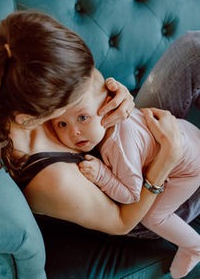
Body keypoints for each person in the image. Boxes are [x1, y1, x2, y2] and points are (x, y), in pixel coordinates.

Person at [0, 10, 198, 276]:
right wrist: (165, 160)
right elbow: (122, 222)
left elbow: (90, 81)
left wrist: (116, 96)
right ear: (32, 118)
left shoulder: (16, 79)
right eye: (73, 99)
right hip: (141, 202)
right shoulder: (53, 179)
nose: (85, 86)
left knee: (192, 48)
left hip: (125, 144)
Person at [51, 68, 200, 278]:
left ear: (108, 106)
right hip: (188, 134)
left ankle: (193, 246)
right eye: (62, 124)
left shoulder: (118, 147)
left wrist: (102, 175)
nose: (73, 131)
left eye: (83, 117)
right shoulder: (113, 128)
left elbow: (132, 195)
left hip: (190, 169)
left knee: (152, 216)